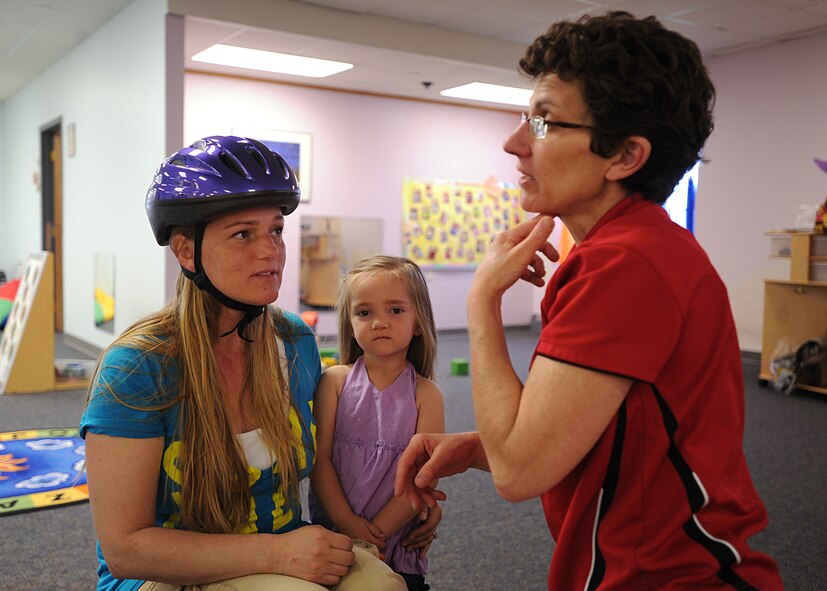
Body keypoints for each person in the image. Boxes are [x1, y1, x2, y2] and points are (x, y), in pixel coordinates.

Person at [395, 12, 784, 590]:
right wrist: (484, 446)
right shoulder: (635, 247)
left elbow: (519, 472)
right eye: (525, 117)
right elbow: (605, 429)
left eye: (546, 122)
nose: (515, 142)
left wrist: (482, 301)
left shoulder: (624, 265)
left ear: (624, 156)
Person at [80, 135, 417, 591]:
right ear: (185, 251)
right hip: (162, 576)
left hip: (281, 546)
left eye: (275, 230)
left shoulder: (294, 341)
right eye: (243, 234)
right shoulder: (139, 365)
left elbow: (335, 461)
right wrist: (278, 553)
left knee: (385, 586)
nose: (270, 251)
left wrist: (410, 502)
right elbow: (124, 548)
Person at [310, 255, 445, 591]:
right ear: (350, 322)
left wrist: (376, 535)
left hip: (394, 548)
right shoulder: (334, 382)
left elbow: (424, 476)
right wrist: (348, 524)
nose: (379, 322)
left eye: (395, 310)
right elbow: (320, 459)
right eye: (364, 312)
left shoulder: (427, 395)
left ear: (418, 321)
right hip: (333, 538)